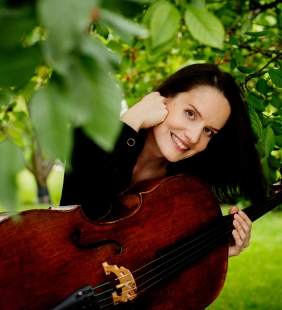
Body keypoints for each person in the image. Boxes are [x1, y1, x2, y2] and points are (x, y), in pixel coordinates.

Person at [61, 64, 267, 257]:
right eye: (190, 114)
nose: (194, 137)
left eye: (208, 131)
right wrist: (131, 122)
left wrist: (215, 251)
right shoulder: (89, 135)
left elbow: (158, 264)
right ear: (164, 98)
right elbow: (71, 218)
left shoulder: (188, 186)